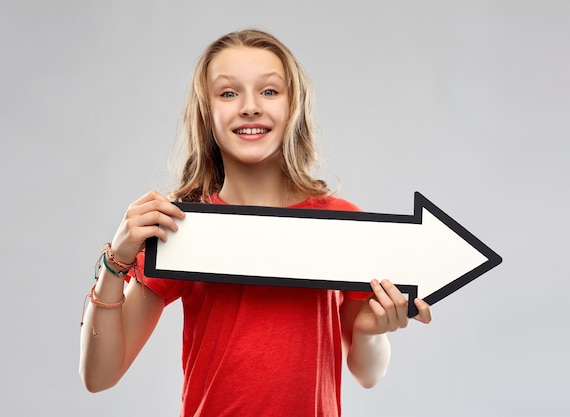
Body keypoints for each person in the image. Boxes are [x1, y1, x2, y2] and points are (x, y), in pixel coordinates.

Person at [79, 28, 432, 417]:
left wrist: (370, 330)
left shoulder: (342, 224)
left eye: (269, 91)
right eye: (228, 93)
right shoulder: (180, 228)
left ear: (292, 106)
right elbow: (99, 375)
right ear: (207, 113)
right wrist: (115, 263)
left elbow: (366, 373)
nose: (250, 107)